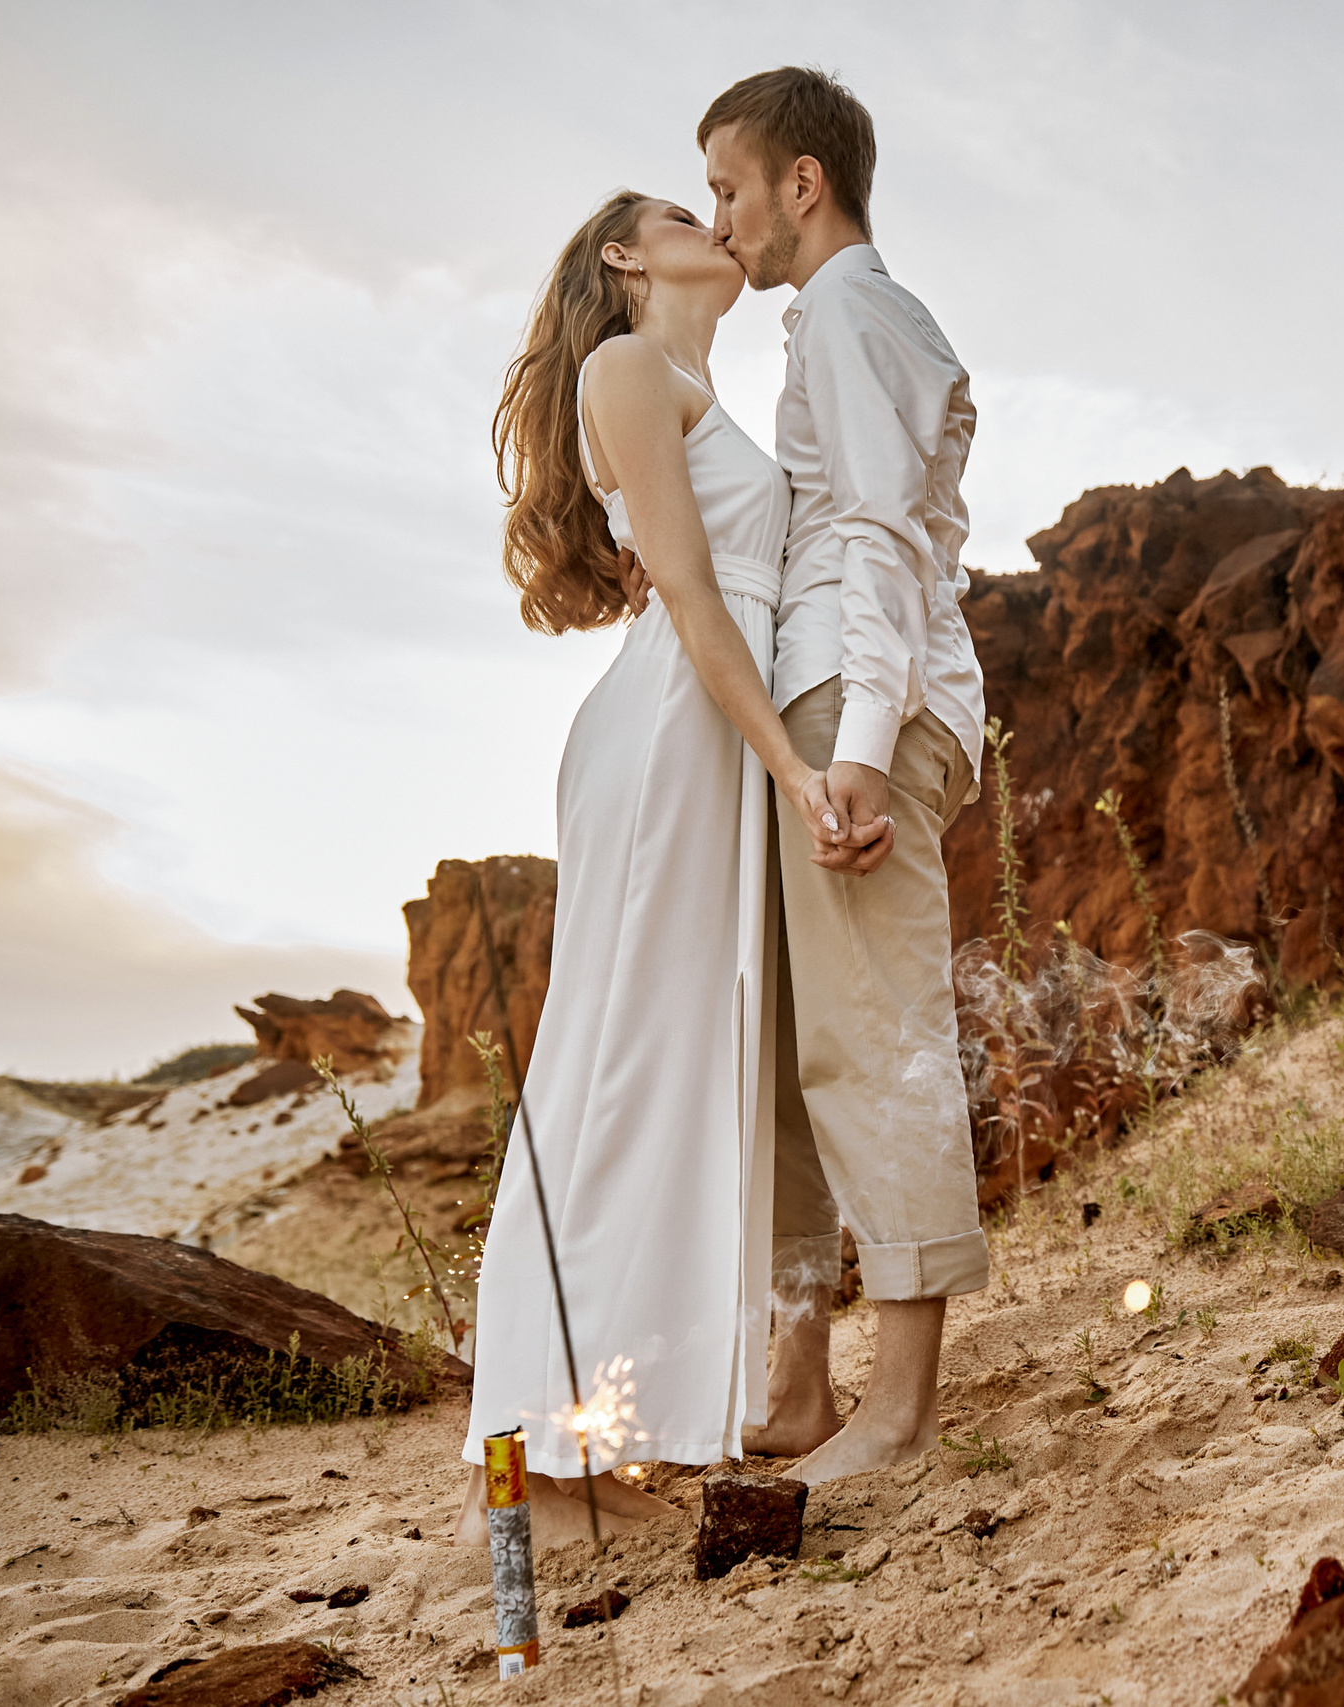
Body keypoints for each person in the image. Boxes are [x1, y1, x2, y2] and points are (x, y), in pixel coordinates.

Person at [457, 183, 890, 1547]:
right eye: (676, 207)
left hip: (713, 728)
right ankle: (523, 1468)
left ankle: (611, 1423)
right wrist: (790, 763)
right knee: (618, 1065)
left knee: (682, 1064)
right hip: (673, 737)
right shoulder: (627, 364)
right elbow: (697, 600)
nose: (716, 219)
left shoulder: (697, 383)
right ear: (626, 258)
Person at [669, 67, 992, 1485]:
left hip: (855, 720)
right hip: (818, 714)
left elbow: (879, 537)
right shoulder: (834, 326)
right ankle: (800, 1386)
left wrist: (859, 749)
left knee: (875, 1043)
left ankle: (905, 1412)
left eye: (732, 188)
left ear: (805, 181)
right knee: (804, 1061)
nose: (723, 218)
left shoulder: (857, 314)